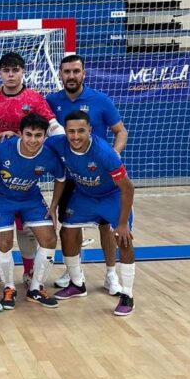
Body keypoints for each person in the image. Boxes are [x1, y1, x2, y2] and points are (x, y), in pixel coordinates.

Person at [0, 52, 64, 289]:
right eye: (6, 70)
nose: (11, 75)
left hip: (26, 169)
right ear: (0, 73)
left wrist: (68, 147)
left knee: (26, 227)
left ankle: (29, 270)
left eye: (15, 70)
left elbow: (53, 128)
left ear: (23, 71)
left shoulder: (34, 99)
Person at [46, 54, 129, 295]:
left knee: (105, 225)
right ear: (60, 75)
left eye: (76, 71)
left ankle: (111, 274)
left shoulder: (100, 100)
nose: (71, 76)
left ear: (84, 73)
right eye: (67, 72)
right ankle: (75, 273)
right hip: (69, 175)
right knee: (70, 224)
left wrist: (113, 154)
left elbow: (120, 131)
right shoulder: (51, 101)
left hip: (100, 175)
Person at [45, 111, 136, 316]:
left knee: (124, 239)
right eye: (71, 131)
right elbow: (32, 143)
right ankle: (77, 284)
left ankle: (128, 295)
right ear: (65, 132)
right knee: (67, 231)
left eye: (81, 131)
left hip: (111, 195)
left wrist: (122, 224)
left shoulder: (105, 152)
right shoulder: (58, 144)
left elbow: (128, 188)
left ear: (90, 130)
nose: (75, 136)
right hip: (84, 195)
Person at [0, 113, 65, 309]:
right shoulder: (2, 145)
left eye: (38, 135)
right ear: (20, 133)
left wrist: (54, 205)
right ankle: (9, 288)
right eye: (28, 134)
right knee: (3, 241)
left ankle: (36, 288)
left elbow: (60, 178)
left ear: (46, 136)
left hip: (31, 199)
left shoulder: (50, 155)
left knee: (49, 238)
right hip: (1, 199)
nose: (33, 140)